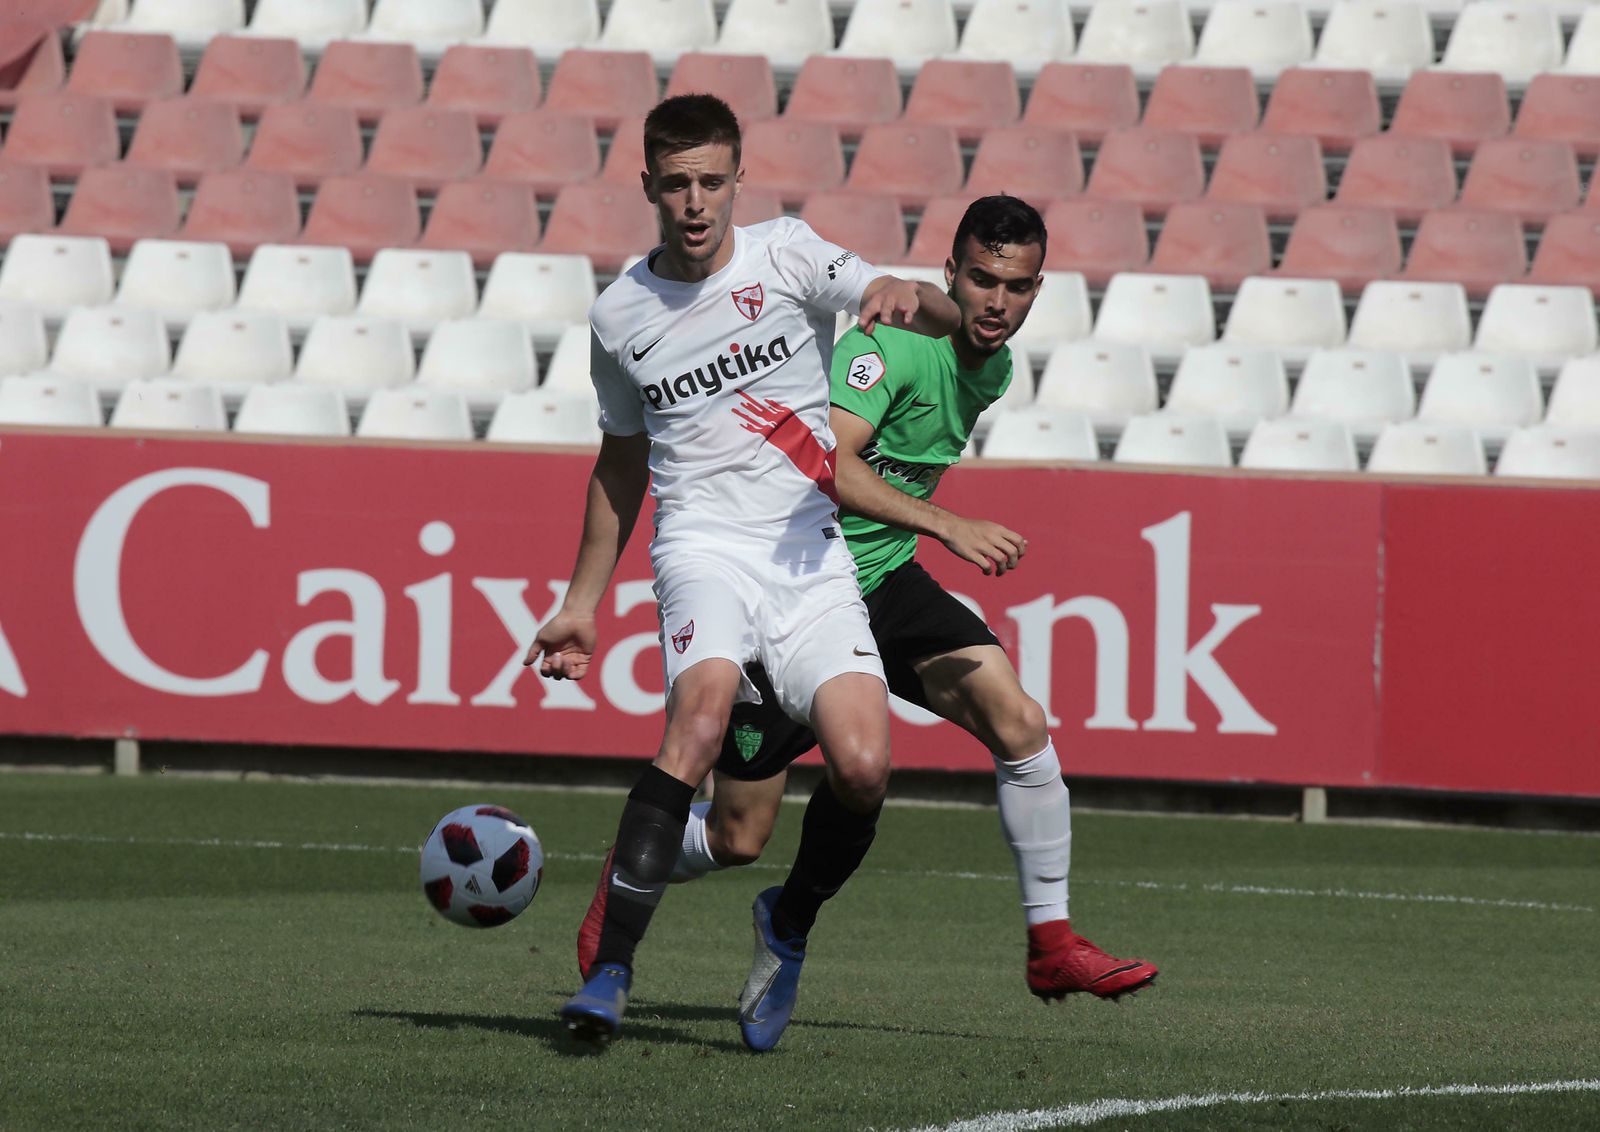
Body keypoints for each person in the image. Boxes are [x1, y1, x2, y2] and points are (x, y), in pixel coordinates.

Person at [578, 195, 1157, 1052]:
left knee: (1019, 723)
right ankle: (638, 867)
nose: (997, 302)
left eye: (1018, 286)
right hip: (799, 579)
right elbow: (828, 464)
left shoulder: (989, 364)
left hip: (881, 582)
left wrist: (921, 534)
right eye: (983, 280)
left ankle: (1046, 942)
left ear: (1039, 290)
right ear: (949, 272)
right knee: (740, 835)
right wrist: (949, 525)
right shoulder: (886, 350)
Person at [526, 92, 961, 1049]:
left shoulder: (791, 255)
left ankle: (787, 921)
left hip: (808, 557)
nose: (695, 202)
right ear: (648, 185)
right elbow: (621, 462)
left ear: (737, 181)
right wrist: (579, 605)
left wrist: (901, 289)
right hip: (704, 549)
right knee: (701, 718)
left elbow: (928, 308)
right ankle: (609, 977)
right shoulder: (619, 317)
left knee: (863, 767)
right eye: (676, 183)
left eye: (711, 182)